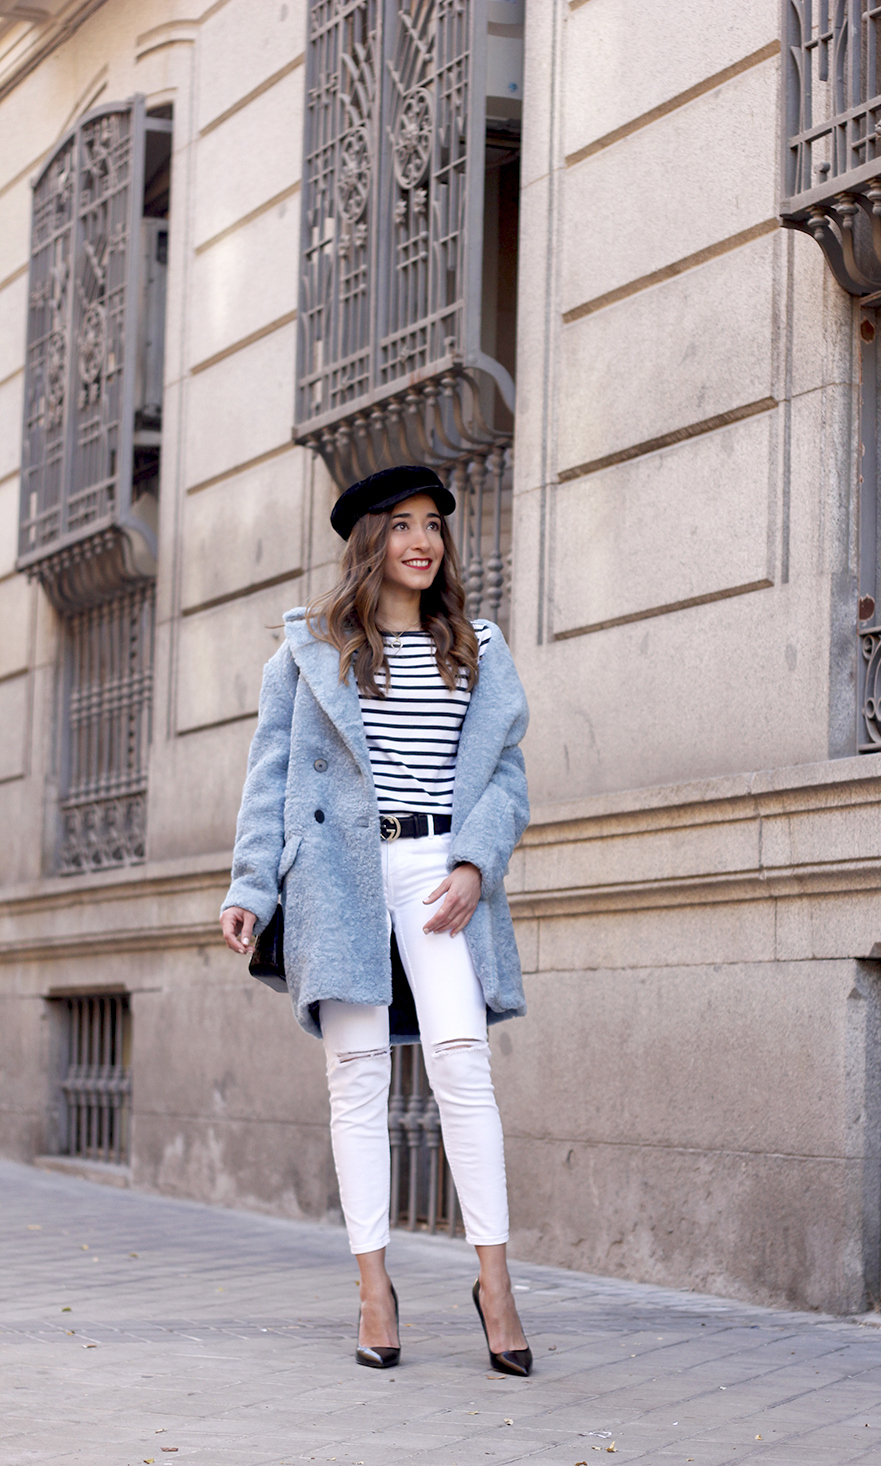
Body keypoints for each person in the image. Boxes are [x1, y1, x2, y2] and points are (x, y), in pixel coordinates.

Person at [219, 464, 532, 1375]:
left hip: (443, 874)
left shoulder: (475, 645)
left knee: (461, 1069)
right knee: (356, 1084)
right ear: (369, 542)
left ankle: (497, 1285)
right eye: (402, 525)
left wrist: (476, 860)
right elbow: (269, 781)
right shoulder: (310, 652)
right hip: (341, 878)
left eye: (433, 523)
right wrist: (251, 888)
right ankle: (373, 1289)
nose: (423, 540)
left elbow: (507, 775)